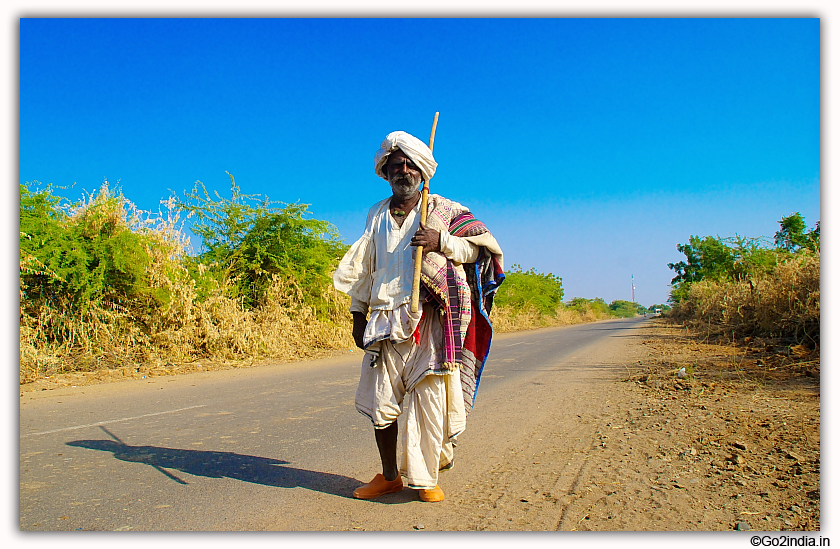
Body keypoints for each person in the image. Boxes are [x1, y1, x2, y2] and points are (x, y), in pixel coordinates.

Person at [333, 130, 505, 502]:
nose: (404, 171)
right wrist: (357, 313)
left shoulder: (442, 209)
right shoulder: (377, 214)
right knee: (382, 403)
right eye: (396, 165)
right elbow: (366, 267)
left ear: (423, 172)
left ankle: (426, 480)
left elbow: (480, 252)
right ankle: (390, 476)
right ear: (386, 171)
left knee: (428, 400)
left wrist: (440, 241)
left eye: (411, 165)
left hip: (431, 318)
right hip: (384, 318)